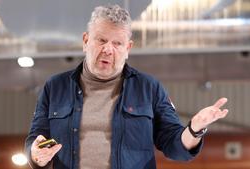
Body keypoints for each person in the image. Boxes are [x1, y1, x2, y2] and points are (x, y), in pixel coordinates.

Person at [25, 4, 229, 169]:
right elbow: (35, 139)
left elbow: (175, 147)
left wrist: (194, 129)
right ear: (86, 40)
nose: (108, 49)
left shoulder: (149, 88)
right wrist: (36, 155)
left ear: (128, 48)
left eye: (117, 43)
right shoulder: (55, 87)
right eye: (101, 40)